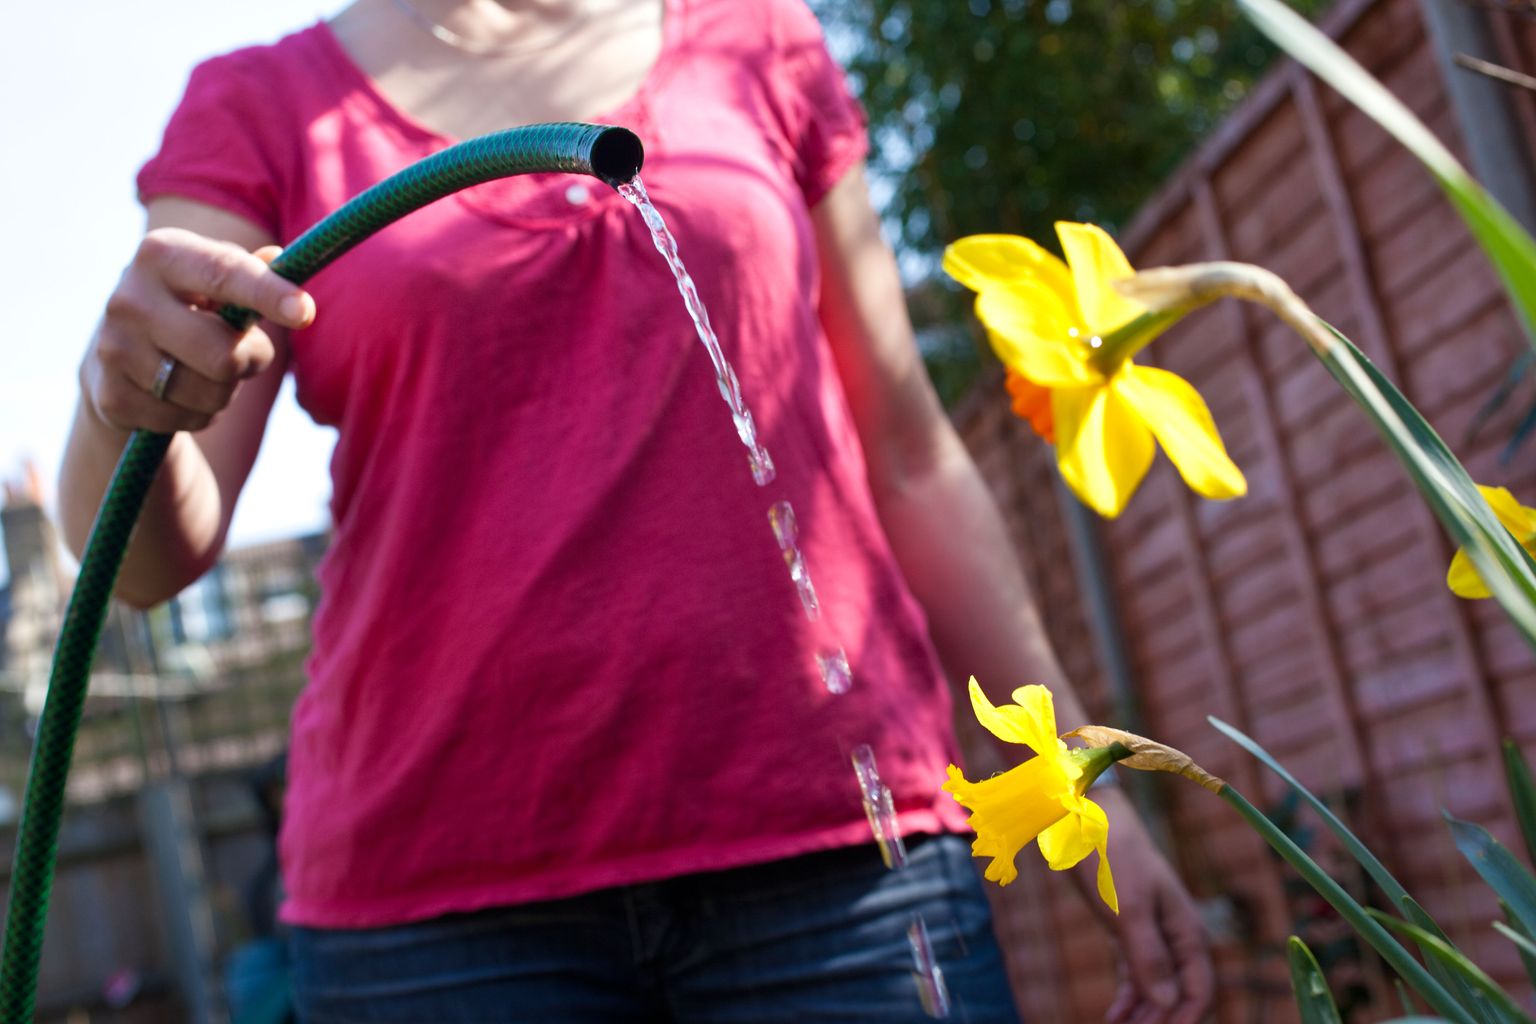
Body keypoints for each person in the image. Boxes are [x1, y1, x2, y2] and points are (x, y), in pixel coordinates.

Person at [59, 0, 1215, 1020]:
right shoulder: (263, 108)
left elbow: (908, 452)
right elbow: (150, 557)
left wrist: (1071, 772)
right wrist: (121, 398)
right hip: (438, 913)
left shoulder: (758, 34)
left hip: (840, 863)